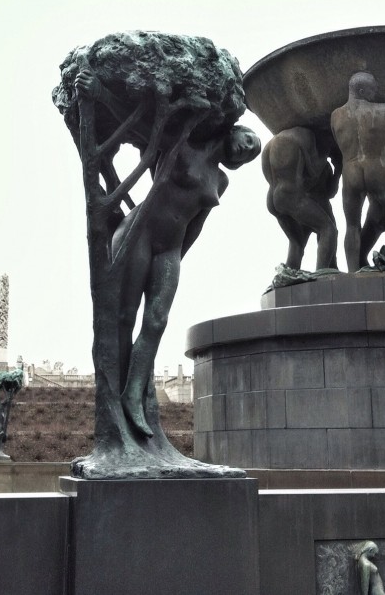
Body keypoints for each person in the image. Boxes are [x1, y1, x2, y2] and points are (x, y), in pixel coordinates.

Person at [75, 67, 262, 436]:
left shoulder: (219, 181)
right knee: (125, 319)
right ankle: (115, 403)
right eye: (250, 140)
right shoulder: (183, 144)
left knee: (157, 321)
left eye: (252, 153)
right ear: (235, 131)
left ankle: (134, 394)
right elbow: (139, 129)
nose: (249, 149)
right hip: (139, 233)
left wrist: (178, 258)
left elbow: (197, 224)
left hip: (170, 249)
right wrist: (97, 93)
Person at [330, 72, 385, 271]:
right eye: (373, 88)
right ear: (360, 90)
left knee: (352, 226)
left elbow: (339, 146)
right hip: (378, 169)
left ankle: (353, 273)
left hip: (351, 173)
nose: (376, 92)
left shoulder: (336, 116)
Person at [262, 126, 340, 271]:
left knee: (296, 242)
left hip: (274, 199)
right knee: (328, 229)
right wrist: (337, 164)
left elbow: (330, 192)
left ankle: (291, 272)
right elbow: (315, 173)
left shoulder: (272, 144)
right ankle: (322, 273)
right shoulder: (304, 140)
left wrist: (337, 170)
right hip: (292, 198)